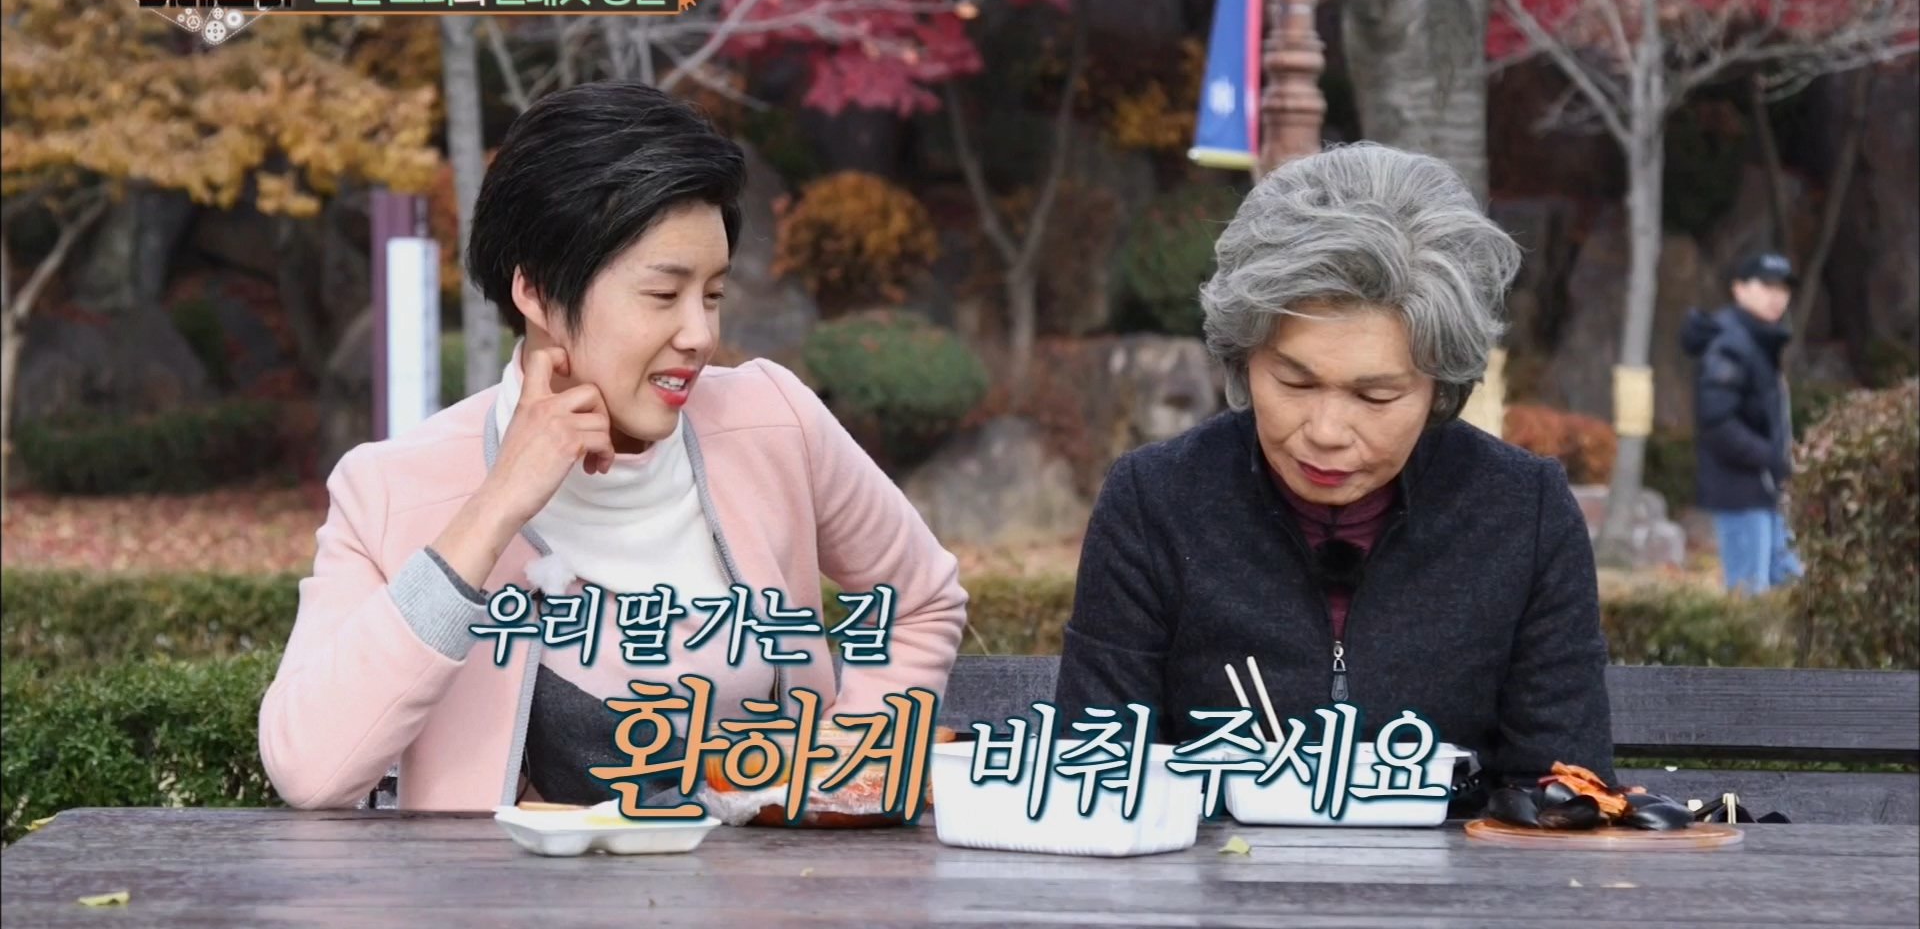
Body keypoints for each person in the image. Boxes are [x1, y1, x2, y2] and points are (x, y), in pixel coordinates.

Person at [259, 81, 968, 813]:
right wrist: (496, 506)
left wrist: (845, 775)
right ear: (537, 292)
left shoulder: (773, 423)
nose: (698, 335)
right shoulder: (390, 488)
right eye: (663, 295)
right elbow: (310, 771)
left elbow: (918, 601)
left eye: (713, 295)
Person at [1051, 143, 1616, 797]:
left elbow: (1564, 791)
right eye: (1293, 381)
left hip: (1453, 863)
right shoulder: (1155, 502)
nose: (1325, 431)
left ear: (1440, 387)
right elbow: (1092, 772)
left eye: (1375, 397)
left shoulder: (1523, 512)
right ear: (1244, 357)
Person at [1681, 252, 1803, 595]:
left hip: (1767, 490)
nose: (1776, 296)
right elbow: (1718, 424)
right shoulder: (1731, 343)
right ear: (1739, 289)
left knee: (1790, 585)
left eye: (1783, 288)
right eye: (1766, 286)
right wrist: (1771, 458)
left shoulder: (1759, 339)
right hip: (1741, 491)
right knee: (1750, 595)